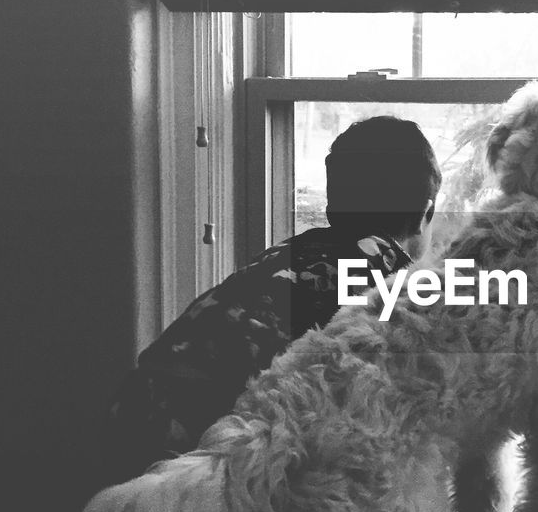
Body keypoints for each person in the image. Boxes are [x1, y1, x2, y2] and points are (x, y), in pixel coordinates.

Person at [101, 115, 441, 484]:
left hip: (124, 424)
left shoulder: (288, 254)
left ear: (332, 206)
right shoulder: (390, 282)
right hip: (206, 464)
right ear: (427, 213)